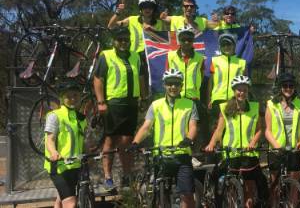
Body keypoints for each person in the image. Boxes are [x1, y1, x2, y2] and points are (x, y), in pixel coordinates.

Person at [131, 69, 198, 208]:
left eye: (176, 84)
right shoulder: (156, 105)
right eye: (170, 83)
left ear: (181, 85)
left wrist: (188, 139)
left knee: (187, 195)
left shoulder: (190, 104)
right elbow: (146, 127)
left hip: (182, 155)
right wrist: (135, 142)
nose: (173, 87)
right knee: (159, 196)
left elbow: (193, 126)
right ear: (164, 85)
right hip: (161, 156)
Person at [93, 26, 148, 190]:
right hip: (113, 104)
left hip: (131, 104)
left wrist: (144, 97)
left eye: (126, 39)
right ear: (114, 41)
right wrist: (101, 102)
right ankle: (108, 177)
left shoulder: (136, 56)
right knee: (110, 140)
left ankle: (126, 176)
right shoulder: (106, 56)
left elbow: (141, 77)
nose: (124, 42)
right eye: (120, 39)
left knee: (126, 141)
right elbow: (98, 80)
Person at [204, 75, 266, 208]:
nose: (241, 93)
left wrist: (253, 142)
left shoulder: (254, 107)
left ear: (248, 91)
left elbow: (260, 129)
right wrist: (211, 144)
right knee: (223, 184)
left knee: (251, 185)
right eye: (239, 90)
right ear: (234, 91)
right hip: (231, 153)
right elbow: (219, 130)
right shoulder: (225, 108)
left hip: (249, 153)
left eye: (244, 90)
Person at [264, 72, 300, 207]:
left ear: (294, 87)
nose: (288, 88)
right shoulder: (271, 104)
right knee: (275, 187)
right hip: (277, 150)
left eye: (291, 86)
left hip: (294, 150)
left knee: (294, 188)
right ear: (280, 87)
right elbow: (267, 130)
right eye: (285, 86)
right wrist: (277, 146)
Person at [44, 80, 85, 208]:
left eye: (76, 95)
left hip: (75, 165)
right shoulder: (54, 116)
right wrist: (54, 152)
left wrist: (90, 149)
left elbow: (81, 139)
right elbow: (49, 139)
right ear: (62, 98)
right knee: (71, 203)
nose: (73, 99)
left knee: (61, 199)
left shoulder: (81, 118)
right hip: (59, 166)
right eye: (68, 96)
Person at [165, 26, 207, 145]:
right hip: (176, 97)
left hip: (193, 97)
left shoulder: (199, 58)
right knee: (178, 126)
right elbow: (167, 75)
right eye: (183, 39)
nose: (187, 42)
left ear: (193, 41)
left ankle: (194, 154)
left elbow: (201, 75)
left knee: (195, 127)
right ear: (179, 40)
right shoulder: (171, 56)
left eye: (189, 39)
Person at [208, 33, 247, 116]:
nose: (226, 47)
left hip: (234, 99)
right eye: (223, 45)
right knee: (217, 128)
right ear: (220, 47)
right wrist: (209, 99)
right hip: (217, 99)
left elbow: (245, 85)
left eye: (228, 44)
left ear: (234, 45)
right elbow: (210, 82)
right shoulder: (215, 61)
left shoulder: (242, 63)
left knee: (231, 127)